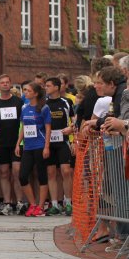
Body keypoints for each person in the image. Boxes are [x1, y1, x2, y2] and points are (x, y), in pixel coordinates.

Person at [0, 75, 25, 215]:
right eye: (2, 83)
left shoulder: (18, 102)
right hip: (1, 144)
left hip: (17, 143)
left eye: (7, 82)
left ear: (10, 84)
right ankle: (7, 202)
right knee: (3, 173)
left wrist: (19, 142)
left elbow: (24, 123)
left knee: (17, 171)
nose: (4, 84)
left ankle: (20, 202)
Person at [16, 82, 51, 217]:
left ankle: (41, 206)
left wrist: (46, 146)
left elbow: (48, 128)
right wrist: (18, 143)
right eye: (25, 90)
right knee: (23, 176)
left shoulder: (44, 108)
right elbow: (23, 127)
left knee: (42, 176)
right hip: (28, 146)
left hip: (40, 145)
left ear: (35, 93)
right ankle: (33, 204)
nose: (26, 93)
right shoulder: (24, 108)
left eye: (29, 91)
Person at [43, 77, 74, 216]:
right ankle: (55, 204)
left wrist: (71, 129)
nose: (46, 88)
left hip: (63, 141)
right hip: (48, 142)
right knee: (51, 173)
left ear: (56, 87)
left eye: (48, 85)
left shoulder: (66, 102)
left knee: (66, 171)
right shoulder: (44, 103)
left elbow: (74, 120)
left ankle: (68, 202)